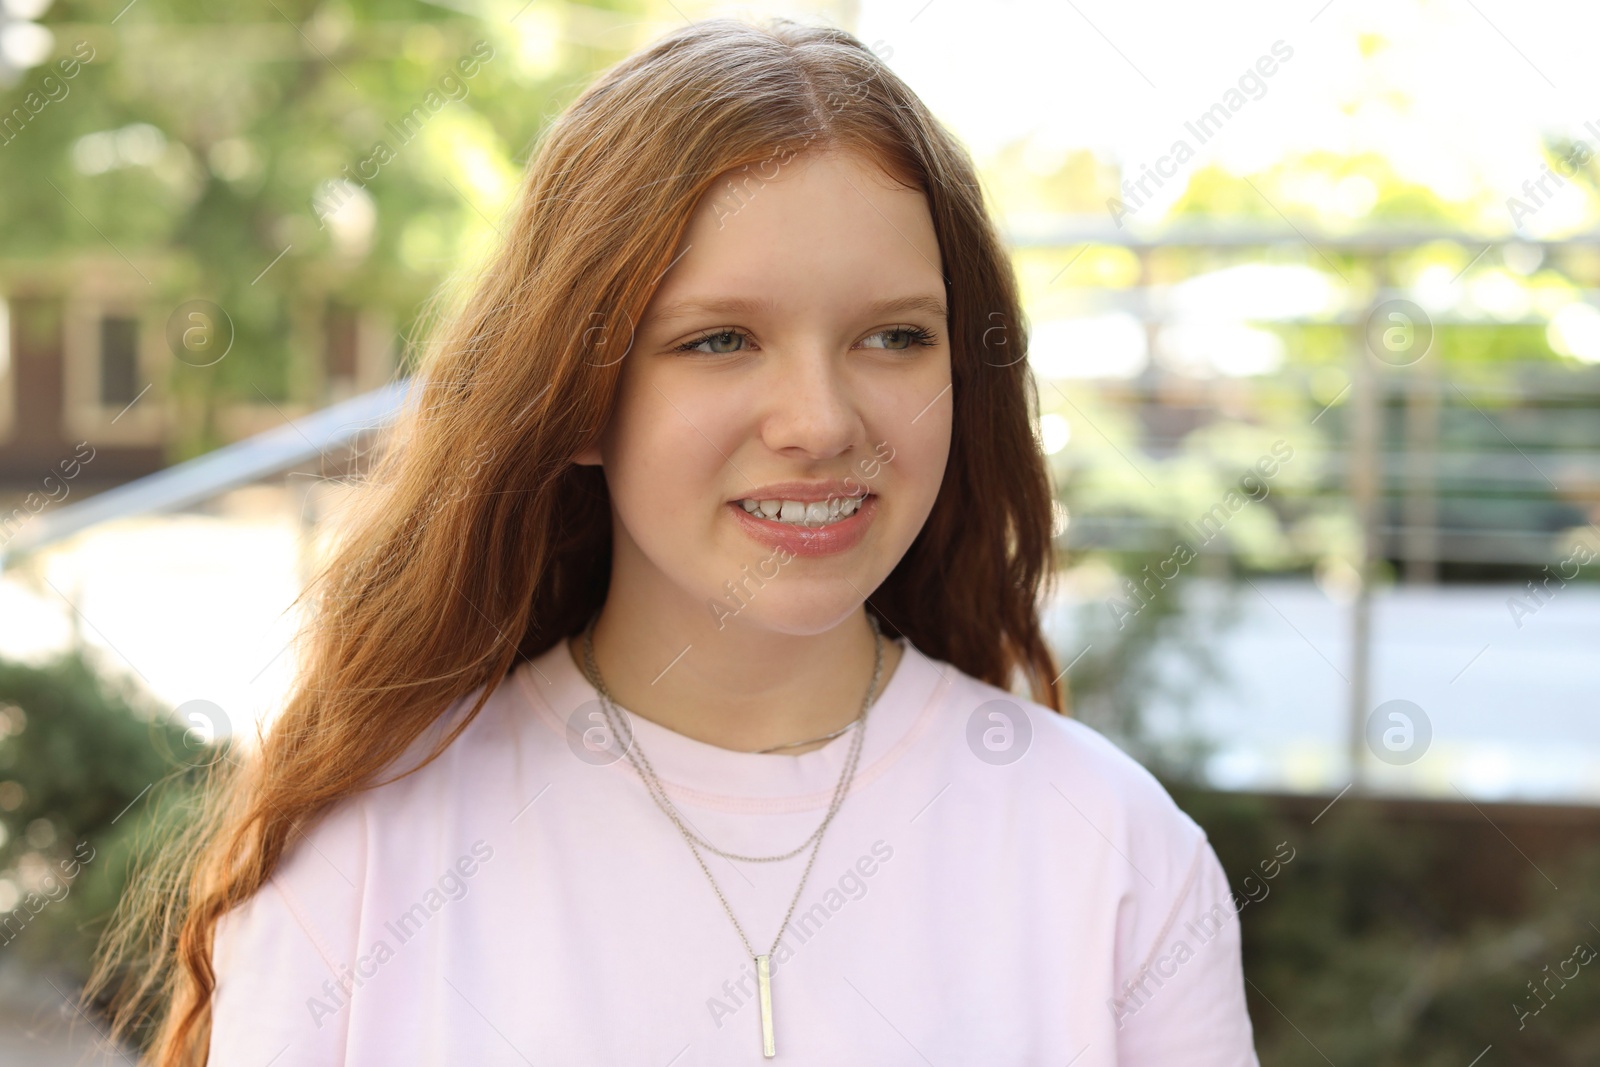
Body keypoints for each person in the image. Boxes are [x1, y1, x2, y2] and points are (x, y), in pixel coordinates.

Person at [88, 16, 1258, 1066]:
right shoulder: (358, 863)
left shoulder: (1118, 858)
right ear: (578, 393)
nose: (822, 421)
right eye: (718, 340)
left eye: (895, 336)